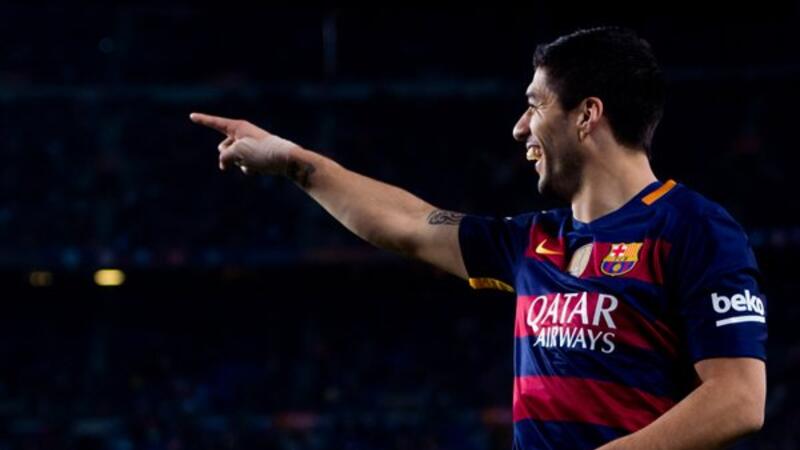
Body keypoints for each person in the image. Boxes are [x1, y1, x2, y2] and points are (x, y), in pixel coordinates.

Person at [190, 26, 767, 450]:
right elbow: (410, 224)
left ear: (587, 115)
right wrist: (293, 161)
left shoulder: (694, 228)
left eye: (535, 106)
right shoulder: (532, 241)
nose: (520, 127)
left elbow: (739, 399)